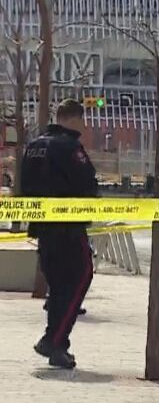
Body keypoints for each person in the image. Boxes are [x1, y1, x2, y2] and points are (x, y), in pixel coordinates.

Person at [21, 98, 98, 369]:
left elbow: (23, 186)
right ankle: (53, 339)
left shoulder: (34, 145)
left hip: (43, 228)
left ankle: (58, 345)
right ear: (75, 118)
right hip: (69, 227)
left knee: (59, 287)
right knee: (81, 276)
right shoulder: (69, 147)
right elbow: (88, 184)